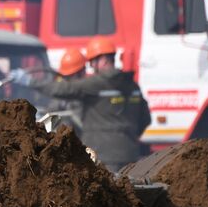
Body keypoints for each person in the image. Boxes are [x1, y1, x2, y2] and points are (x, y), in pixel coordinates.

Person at [9, 37, 150, 170]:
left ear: (101, 61)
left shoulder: (96, 83)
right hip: (130, 153)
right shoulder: (132, 86)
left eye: (92, 64)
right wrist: (127, 135)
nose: (92, 68)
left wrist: (29, 81)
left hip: (102, 155)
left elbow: (61, 90)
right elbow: (145, 119)